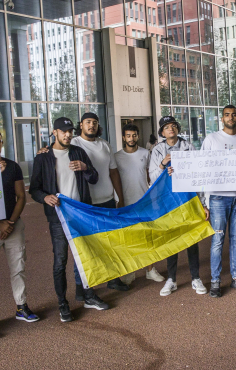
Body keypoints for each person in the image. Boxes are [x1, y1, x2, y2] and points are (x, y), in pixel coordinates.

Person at [29, 117, 109, 322]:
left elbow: (94, 178)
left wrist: (85, 168)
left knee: (85, 257)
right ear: (54, 132)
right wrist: (45, 197)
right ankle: (62, 303)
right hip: (58, 218)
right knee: (60, 261)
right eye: (63, 131)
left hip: (80, 214)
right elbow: (34, 189)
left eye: (70, 131)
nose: (67, 135)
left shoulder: (78, 152)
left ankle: (88, 295)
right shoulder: (43, 157)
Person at [0, 129, 38, 333]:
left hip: (13, 225)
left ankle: (21, 307)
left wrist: (10, 222)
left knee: (18, 267)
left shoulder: (12, 166)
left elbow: (21, 196)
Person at [200, 105, 236, 296]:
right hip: (218, 197)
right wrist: (203, 200)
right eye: (227, 115)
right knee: (218, 239)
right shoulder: (212, 139)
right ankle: (215, 281)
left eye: (234, 115)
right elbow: (201, 167)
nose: (230, 117)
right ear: (221, 118)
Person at [70, 112, 130, 292]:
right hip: (85, 204)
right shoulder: (73, 144)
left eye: (95, 122)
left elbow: (113, 172)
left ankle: (113, 279)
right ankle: (82, 287)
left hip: (107, 201)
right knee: (84, 246)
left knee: (111, 243)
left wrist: (120, 197)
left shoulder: (105, 145)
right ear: (81, 125)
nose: (91, 125)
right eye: (88, 122)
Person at [150, 116, 208, 296]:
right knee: (172, 240)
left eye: (174, 126)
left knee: (192, 239)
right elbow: (152, 177)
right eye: (167, 127)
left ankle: (195, 277)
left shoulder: (188, 147)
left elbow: (198, 174)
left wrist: (203, 204)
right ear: (162, 132)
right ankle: (172, 279)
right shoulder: (158, 150)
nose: (171, 129)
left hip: (187, 200)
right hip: (168, 201)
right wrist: (162, 165)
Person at [114, 123, 165, 284]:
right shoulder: (117, 156)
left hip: (144, 201)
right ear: (123, 137)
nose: (131, 138)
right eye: (128, 135)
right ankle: (130, 272)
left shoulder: (145, 153)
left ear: (138, 136)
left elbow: (152, 176)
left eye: (134, 135)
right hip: (126, 203)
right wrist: (119, 200)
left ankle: (150, 270)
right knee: (129, 239)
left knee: (147, 237)